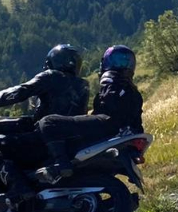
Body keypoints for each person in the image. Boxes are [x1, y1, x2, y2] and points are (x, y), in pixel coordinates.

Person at [0, 44, 89, 212]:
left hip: (41, 142)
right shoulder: (83, 86)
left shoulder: (51, 76)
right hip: (63, 143)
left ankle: (18, 187)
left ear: (53, 61)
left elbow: (18, 92)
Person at [35, 45, 144, 183]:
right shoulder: (133, 91)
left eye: (124, 61)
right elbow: (137, 120)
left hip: (107, 125)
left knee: (48, 122)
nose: (121, 65)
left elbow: (107, 109)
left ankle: (61, 164)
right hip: (121, 131)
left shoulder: (110, 81)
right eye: (117, 61)